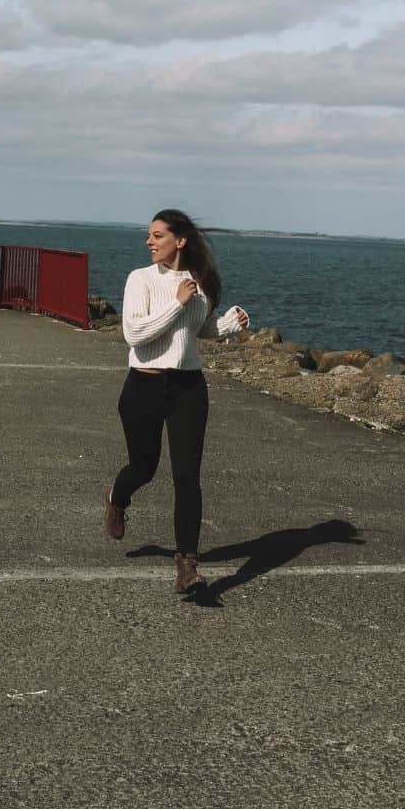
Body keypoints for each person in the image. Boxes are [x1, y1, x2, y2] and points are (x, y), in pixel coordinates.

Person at [104, 210, 250, 597]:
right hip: (143, 388)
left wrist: (229, 325)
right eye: (148, 236)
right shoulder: (141, 279)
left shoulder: (200, 283)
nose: (149, 242)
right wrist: (176, 303)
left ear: (180, 240)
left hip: (188, 389)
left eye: (157, 235)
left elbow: (197, 330)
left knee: (187, 477)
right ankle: (118, 499)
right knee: (144, 468)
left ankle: (187, 564)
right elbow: (135, 334)